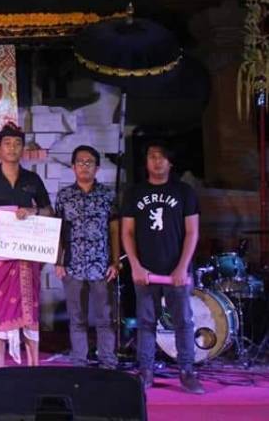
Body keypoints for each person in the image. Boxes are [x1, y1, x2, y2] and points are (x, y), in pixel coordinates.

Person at [120, 141, 204, 394]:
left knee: (183, 322)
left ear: (170, 162)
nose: (156, 161)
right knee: (146, 322)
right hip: (145, 271)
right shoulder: (134, 193)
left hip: (176, 270)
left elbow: (192, 232)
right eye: (152, 156)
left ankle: (187, 371)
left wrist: (182, 267)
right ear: (146, 162)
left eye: (161, 157)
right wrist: (135, 266)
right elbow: (127, 232)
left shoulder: (184, 192)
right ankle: (146, 371)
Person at [0, 122, 52, 368]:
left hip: (27, 253)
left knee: (30, 305)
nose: (12, 148)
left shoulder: (32, 179)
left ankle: (33, 364)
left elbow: (49, 211)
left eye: (17, 144)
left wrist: (33, 211)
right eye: (7, 144)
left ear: (23, 149)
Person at [53, 145, 119, 369]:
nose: (84, 166)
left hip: (101, 266)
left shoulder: (107, 195)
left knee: (105, 318)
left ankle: (108, 362)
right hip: (72, 265)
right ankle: (79, 362)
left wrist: (115, 261)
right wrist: (58, 261)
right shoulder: (64, 196)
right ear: (73, 167)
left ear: (97, 168)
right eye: (80, 162)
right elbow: (59, 230)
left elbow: (114, 229)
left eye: (89, 162)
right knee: (77, 318)